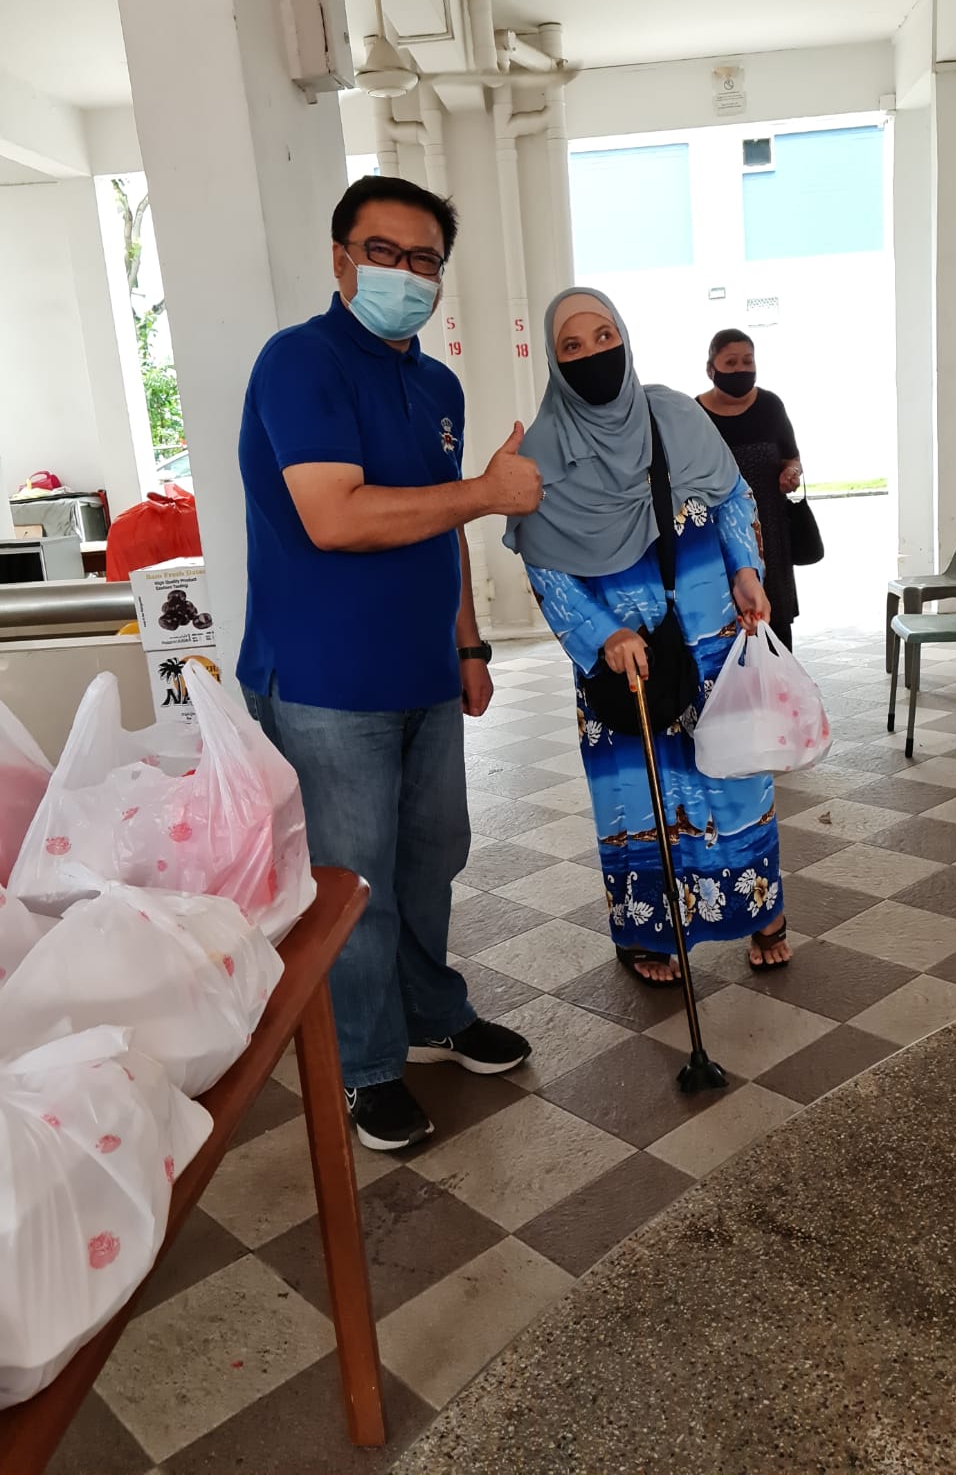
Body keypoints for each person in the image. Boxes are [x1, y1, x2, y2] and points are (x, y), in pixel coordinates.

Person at [237, 176, 542, 1152]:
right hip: (326, 681)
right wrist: (487, 492)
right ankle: (367, 1067)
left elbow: (440, 523)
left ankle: (430, 1015)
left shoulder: (436, 385)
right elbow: (334, 516)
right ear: (341, 259)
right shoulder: (301, 362)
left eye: (424, 261)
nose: (405, 275)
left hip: (423, 673)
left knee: (431, 859)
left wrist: (467, 643)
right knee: (354, 883)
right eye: (383, 252)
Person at [505, 290, 790, 980]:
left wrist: (746, 569)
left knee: (733, 773)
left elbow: (732, 496)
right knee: (640, 790)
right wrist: (601, 635)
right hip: (623, 657)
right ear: (554, 360)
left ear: (625, 338)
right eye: (573, 346)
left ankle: (760, 910)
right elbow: (543, 563)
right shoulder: (542, 452)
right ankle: (651, 932)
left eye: (604, 336)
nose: (593, 354)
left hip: (709, 636)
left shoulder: (675, 415)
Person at [697, 329, 802, 650]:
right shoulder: (694, 414)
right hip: (716, 537)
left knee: (775, 624)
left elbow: (792, 458)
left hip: (770, 532)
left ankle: (777, 679)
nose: (741, 369)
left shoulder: (770, 406)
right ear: (711, 368)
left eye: (748, 361)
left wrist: (791, 473)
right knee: (726, 628)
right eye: (731, 362)